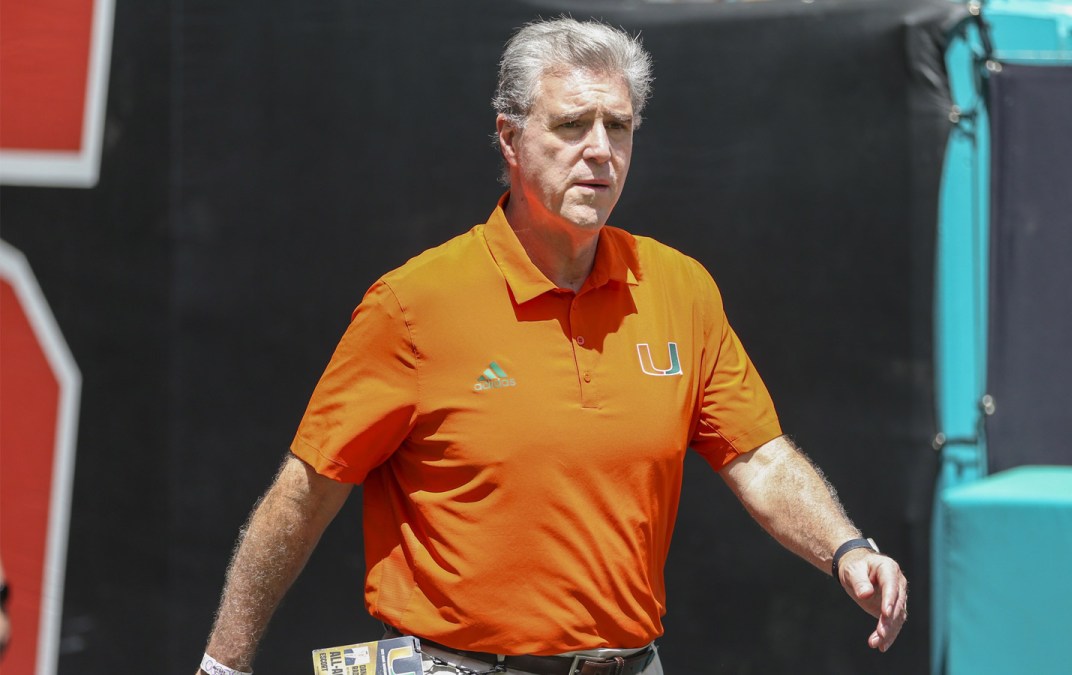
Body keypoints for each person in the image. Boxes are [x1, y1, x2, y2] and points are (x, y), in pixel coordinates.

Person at [197, 17, 907, 675]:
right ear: (509, 138)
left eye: (618, 127)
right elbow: (303, 495)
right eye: (572, 125)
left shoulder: (678, 287)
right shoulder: (414, 303)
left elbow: (758, 456)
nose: (600, 150)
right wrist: (222, 666)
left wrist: (847, 548)